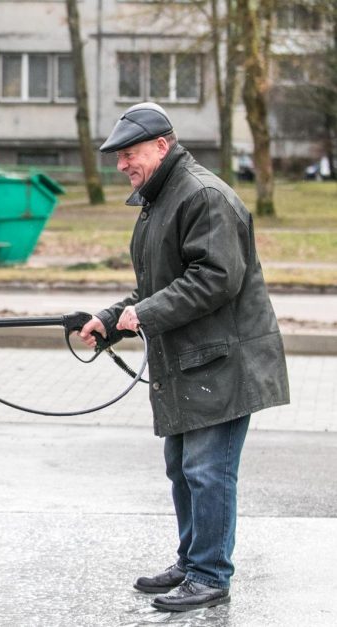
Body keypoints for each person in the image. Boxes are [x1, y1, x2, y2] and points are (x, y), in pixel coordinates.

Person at [78, 102, 290, 612]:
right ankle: (193, 559)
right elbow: (157, 285)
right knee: (182, 468)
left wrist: (145, 313)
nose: (123, 164)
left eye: (130, 154)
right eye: (119, 157)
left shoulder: (203, 196)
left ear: (162, 146)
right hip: (191, 361)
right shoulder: (161, 199)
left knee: (207, 470)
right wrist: (109, 319)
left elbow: (216, 279)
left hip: (222, 361)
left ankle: (211, 574)